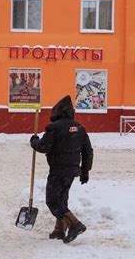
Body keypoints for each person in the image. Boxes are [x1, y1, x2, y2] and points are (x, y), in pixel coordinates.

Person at [30, 95, 93, 243]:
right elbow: (87, 151)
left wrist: (34, 141)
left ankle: (75, 224)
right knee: (62, 199)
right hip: (71, 172)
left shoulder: (54, 128)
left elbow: (43, 147)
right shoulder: (80, 128)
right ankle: (59, 230)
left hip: (58, 170)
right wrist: (85, 171)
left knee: (52, 201)